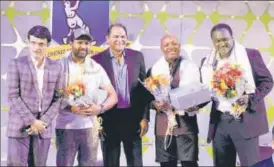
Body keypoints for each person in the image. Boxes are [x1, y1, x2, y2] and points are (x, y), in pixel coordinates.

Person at [200, 23, 274, 167]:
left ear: (232, 38)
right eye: (218, 40)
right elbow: (206, 91)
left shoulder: (250, 55)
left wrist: (250, 98)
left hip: (245, 121)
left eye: (225, 39)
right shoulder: (207, 63)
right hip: (220, 122)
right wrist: (193, 105)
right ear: (213, 42)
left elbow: (267, 81)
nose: (222, 43)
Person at [55, 28, 118, 166]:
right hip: (66, 128)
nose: (83, 46)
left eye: (86, 43)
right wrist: (71, 108)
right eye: (79, 42)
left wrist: (100, 108)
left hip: (90, 129)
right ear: (71, 43)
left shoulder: (96, 67)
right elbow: (54, 94)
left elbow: (113, 96)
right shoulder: (59, 65)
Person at [92, 23, 151, 167]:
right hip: (108, 119)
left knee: (136, 162)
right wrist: (96, 122)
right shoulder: (96, 60)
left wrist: (144, 118)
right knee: (111, 162)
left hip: (133, 119)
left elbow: (145, 90)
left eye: (122, 36)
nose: (120, 40)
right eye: (115, 36)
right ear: (107, 39)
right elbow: (92, 93)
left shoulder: (137, 57)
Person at [147, 34, 207, 167]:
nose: (171, 47)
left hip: (186, 123)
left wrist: (196, 104)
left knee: (189, 163)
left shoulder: (192, 67)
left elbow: (204, 93)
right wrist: (155, 104)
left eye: (174, 44)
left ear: (179, 47)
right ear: (161, 48)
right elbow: (147, 99)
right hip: (164, 124)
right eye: (166, 45)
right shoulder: (154, 70)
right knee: (166, 163)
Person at [7, 25, 64, 166]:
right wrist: (32, 122)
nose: (36, 47)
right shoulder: (16, 64)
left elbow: (59, 98)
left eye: (41, 44)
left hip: (43, 129)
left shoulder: (57, 67)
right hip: (19, 126)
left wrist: (42, 122)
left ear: (48, 45)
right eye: (33, 42)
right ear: (28, 42)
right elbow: (13, 96)